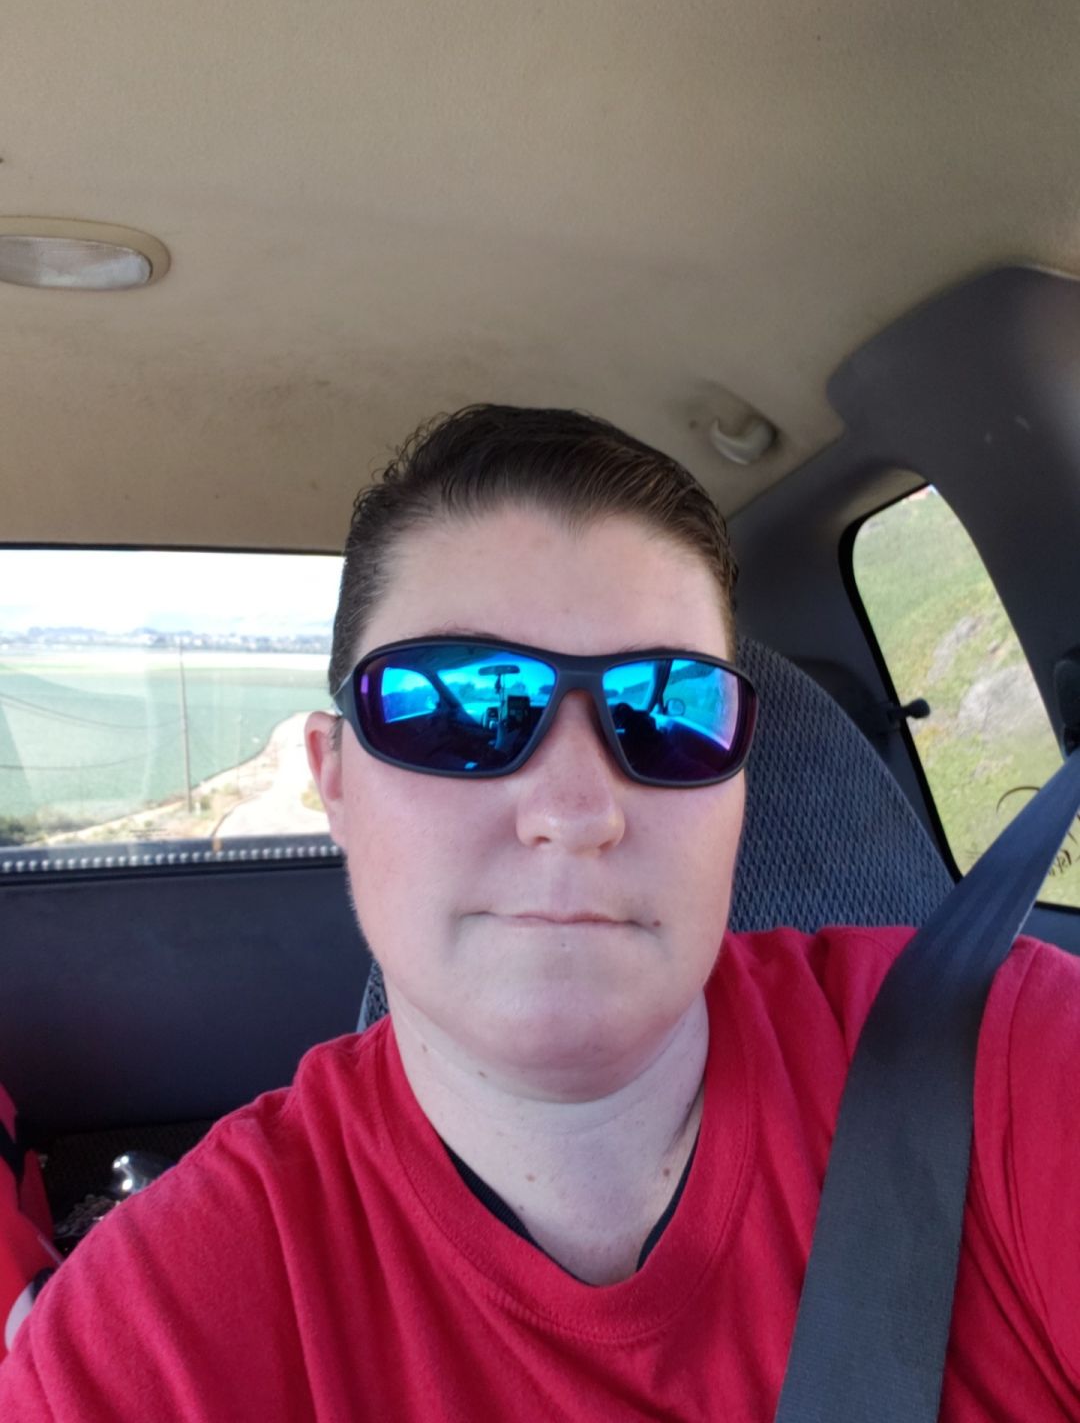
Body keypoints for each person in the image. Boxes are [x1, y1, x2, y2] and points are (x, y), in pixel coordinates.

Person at [1, 404, 1078, 1420]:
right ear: (335, 781)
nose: (574, 812)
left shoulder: (1000, 1051)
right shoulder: (143, 1342)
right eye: (458, 706)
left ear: (739, 784)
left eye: (667, 710)